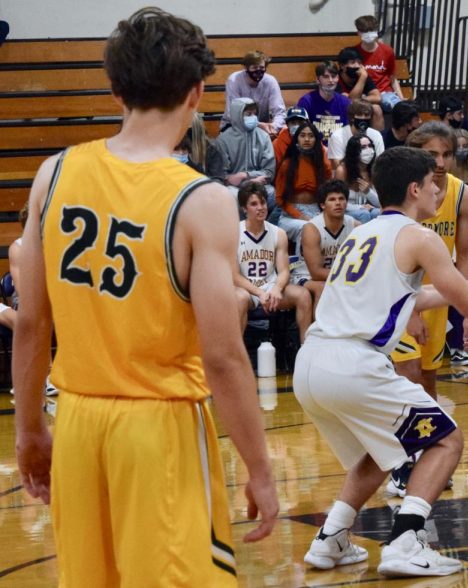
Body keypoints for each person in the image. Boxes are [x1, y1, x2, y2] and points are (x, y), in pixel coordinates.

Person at [13, 8, 277, 585]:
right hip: (158, 428)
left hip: (78, 419)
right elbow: (223, 355)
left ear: (114, 88)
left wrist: (29, 428)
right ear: (198, 92)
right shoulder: (201, 200)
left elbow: (32, 322)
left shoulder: (53, 174)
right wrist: (259, 466)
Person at [294, 146, 468, 577]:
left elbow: (425, 295)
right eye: (434, 184)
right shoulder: (420, 237)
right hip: (355, 364)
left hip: (312, 364)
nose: (438, 190)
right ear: (415, 188)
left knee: (382, 448)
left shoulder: (362, 232)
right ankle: (406, 541)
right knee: (446, 440)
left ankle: (330, 538)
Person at [388, 122, 468, 495]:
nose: (440, 162)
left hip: (439, 299)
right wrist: (409, 311)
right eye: (432, 155)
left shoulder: (463, 195)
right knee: (405, 378)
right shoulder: (405, 193)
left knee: (427, 382)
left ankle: (427, 459)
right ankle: (400, 463)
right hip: (400, 296)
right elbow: (393, 254)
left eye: (446, 154)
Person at [235, 183, 313, 338]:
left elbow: (284, 270)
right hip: (247, 290)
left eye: (263, 202)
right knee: (240, 298)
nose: (260, 207)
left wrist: (277, 288)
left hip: (270, 287)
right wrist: (258, 293)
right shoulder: (233, 232)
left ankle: (305, 349)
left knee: (303, 295)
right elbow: (234, 275)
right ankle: (236, 355)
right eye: (254, 204)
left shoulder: (279, 233)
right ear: (244, 209)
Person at [294, 179, 357, 311]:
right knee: (323, 288)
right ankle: (319, 331)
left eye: (341, 198)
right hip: (306, 277)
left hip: (338, 275)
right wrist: (348, 277)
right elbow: (316, 273)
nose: (338, 203)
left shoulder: (355, 226)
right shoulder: (312, 228)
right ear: (323, 205)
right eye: (332, 199)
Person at [274, 118, 332, 241]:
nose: (306, 139)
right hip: (290, 215)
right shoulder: (287, 164)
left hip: (316, 210)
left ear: (316, 140)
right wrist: (299, 216)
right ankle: (302, 261)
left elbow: (328, 193)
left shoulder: (322, 165)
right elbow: (280, 199)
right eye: (303, 136)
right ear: (297, 139)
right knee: (307, 229)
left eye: (311, 136)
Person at [216, 97, 276, 206]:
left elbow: (269, 172)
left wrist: (245, 176)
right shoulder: (223, 140)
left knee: (273, 195)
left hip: (259, 184)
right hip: (234, 188)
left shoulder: (264, 136)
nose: (253, 117)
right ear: (237, 115)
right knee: (231, 197)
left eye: (254, 114)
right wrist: (231, 179)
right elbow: (221, 175)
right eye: (248, 114)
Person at [221, 50, 286, 138]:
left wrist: (273, 127)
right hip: (234, 127)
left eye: (262, 68)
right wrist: (258, 125)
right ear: (246, 68)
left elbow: (280, 112)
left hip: (264, 130)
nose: (258, 71)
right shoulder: (234, 80)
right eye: (255, 68)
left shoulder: (271, 81)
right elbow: (233, 114)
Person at [353, 14, 404, 112]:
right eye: (364, 31)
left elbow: (392, 77)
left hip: (385, 93)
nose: (368, 34)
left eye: (371, 30)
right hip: (365, 94)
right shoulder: (354, 52)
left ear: (376, 31)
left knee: (401, 109)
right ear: (358, 32)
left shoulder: (387, 51)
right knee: (375, 108)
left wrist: (401, 99)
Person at [298, 61, 351, 143]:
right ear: (318, 80)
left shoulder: (345, 102)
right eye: (326, 77)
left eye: (333, 77)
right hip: (315, 150)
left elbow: (349, 133)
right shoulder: (306, 101)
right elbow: (300, 132)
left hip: (339, 149)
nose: (331, 80)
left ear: (337, 78)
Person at [335, 133, 381, 223]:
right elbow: (337, 201)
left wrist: (368, 192)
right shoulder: (342, 171)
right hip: (347, 211)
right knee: (364, 214)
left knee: (378, 213)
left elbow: (380, 203)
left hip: (368, 210)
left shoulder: (375, 169)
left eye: (370, 146)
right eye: (363, 147)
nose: (368, 150)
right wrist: (360, 207)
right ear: (353, 151)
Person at [327, 98, 385, 168]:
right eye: (359, 114)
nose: (363, 118)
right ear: (352, 117)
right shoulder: (337, 136)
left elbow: (380, 163)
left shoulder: (376, 135)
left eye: (367, 115)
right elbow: (338, 165)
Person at [336, 46, 384, 130]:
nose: (357, 66)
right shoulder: (335, 78)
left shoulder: (363, 75)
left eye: (359, 62)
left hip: (360, 108)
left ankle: (377, 141)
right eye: (353, 62)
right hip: (340, 110)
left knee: (376, 108)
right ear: (342, 66)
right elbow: (350, 101)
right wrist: (362, 79)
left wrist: (361, 99)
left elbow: (377, 97)